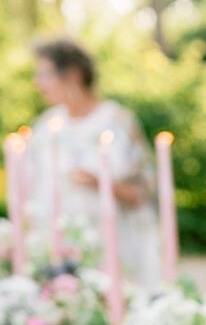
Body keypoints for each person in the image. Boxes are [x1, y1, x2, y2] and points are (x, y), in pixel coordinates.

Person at [28, 37, 159, 284]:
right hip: (58, 253)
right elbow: (30, 195)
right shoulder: (45, 128)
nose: (38, 83)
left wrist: (100, 183)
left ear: (74, 74)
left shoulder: (117, 122)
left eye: (45, 75)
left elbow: (144, 190)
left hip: (116, 252)